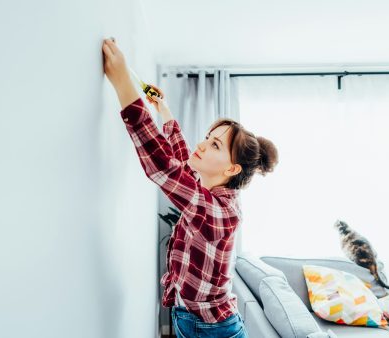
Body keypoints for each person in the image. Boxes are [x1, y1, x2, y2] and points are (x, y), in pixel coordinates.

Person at [102, 37, 278, 338]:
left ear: (231, 168)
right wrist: (164, 110)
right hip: (197, 320)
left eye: (214, 145)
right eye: (208, 136)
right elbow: (183, 160)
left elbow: (165, 168)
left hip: (212, 330)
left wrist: (123, 86)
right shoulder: (209, 190)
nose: (202, 144)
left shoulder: (220, 212)